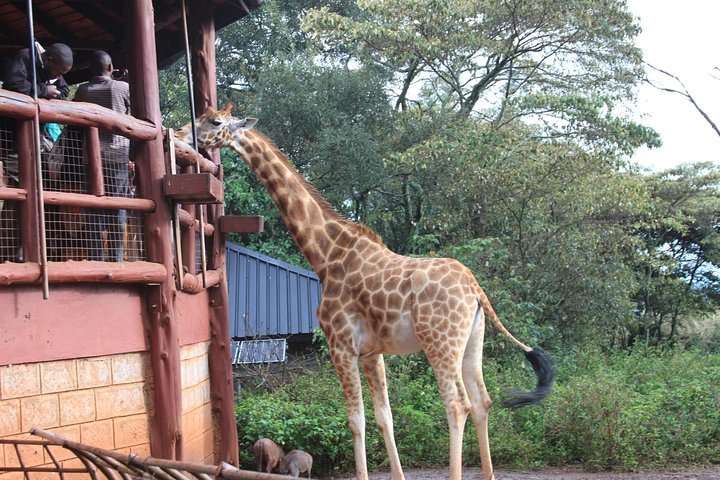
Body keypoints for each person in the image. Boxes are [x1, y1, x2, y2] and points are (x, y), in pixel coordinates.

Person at [73, 50, 131, 262]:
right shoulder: (122, 88)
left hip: (91, 159)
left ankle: (95, 259)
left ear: (91, 69)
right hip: (117, 157)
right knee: (118, 206)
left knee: (94, 209)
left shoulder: (82, 90)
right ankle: (116, 260)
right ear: (110, 68)